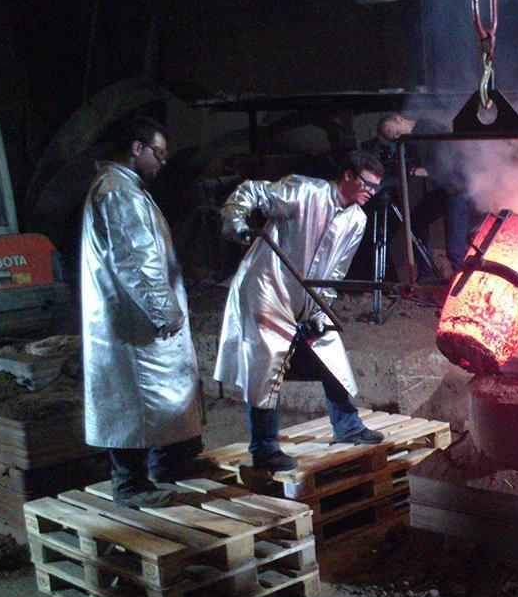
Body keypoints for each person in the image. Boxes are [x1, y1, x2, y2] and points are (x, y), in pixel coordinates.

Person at [214, 150, 387, 472]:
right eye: (366, 184)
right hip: (267, 289)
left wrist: (321, 311)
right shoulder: (305, 191)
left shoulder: (357, 220)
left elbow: (334, 272)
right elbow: (253, 190)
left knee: (329, 351)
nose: (371, 193)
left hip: (306, 296)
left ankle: (347, 427)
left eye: (376, 188)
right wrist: (235, 219)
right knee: (265, 365)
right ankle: (264, 449)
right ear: (347, 176)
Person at [80, 116, 206, 508]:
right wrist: (162, 310)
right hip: (131, 324)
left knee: (152, 400)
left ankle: (163, 468)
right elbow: (137, 259)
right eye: (159, 153)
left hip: (132, 320)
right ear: (137, 148)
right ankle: (131, 485)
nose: (162, 162)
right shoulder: (119, 192)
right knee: (132, 403)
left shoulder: (122, 187)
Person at [376, 113, 474, 280]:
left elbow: (450, 158)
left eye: (388, 129)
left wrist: (423, 171)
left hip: (457, 189)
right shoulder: (411, 140)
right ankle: (426, 276)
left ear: (398, 118)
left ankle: (463, 288)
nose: (390, 136)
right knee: (415, 222)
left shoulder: (430, 128)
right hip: (444, 189)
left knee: (455, 246)